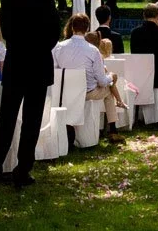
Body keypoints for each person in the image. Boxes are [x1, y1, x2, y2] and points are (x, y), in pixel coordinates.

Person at [0, 0, 60, 187]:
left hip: (15, 64)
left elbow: (6, 31)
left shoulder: (8, 0)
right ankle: (23, 170)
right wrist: (39, 48)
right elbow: (54, 34)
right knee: (31, 121)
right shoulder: (46, 2)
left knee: (5, 118)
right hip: (38, 66)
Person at [53, 14, 125, 144]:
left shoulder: (58, 47)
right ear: (87, 29)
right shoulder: (92, 50)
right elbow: (102, 81)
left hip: (63, 92)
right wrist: (111, 77)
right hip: (87, 93)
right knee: (109, 91)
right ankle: (113, 130)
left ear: (72, 27)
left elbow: (55, 71)